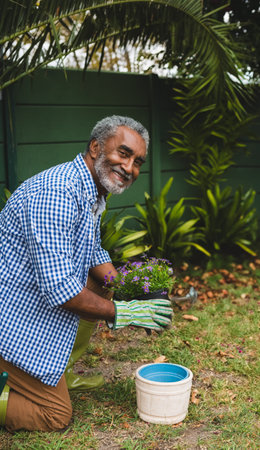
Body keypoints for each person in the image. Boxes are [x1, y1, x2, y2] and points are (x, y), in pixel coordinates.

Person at [0, 115, 172, 432]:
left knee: (101, 283)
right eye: (124, 153)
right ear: (95, 147)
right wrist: (128, 312)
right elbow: (60, 289)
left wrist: (129, 291)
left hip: (28, 301)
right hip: (9, 322)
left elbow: (92, 251)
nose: (130, 167)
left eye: (138, 162)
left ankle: (57, 369)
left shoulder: (90, 191)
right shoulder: (57, 193)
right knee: (55, 416)